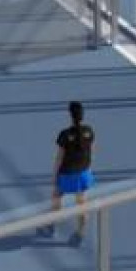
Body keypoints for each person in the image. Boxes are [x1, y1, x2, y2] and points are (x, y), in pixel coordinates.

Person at [46, 101, 95, 244]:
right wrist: (87, 169)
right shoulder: (89, 131)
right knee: (81, 203)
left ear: (70, 115)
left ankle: (51, 225)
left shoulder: (65, 134)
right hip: (84, 173)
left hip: (67, 175)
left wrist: (54, 176)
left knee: (56, 196)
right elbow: (91, 152)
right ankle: (80, 233)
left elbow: (59, 158)